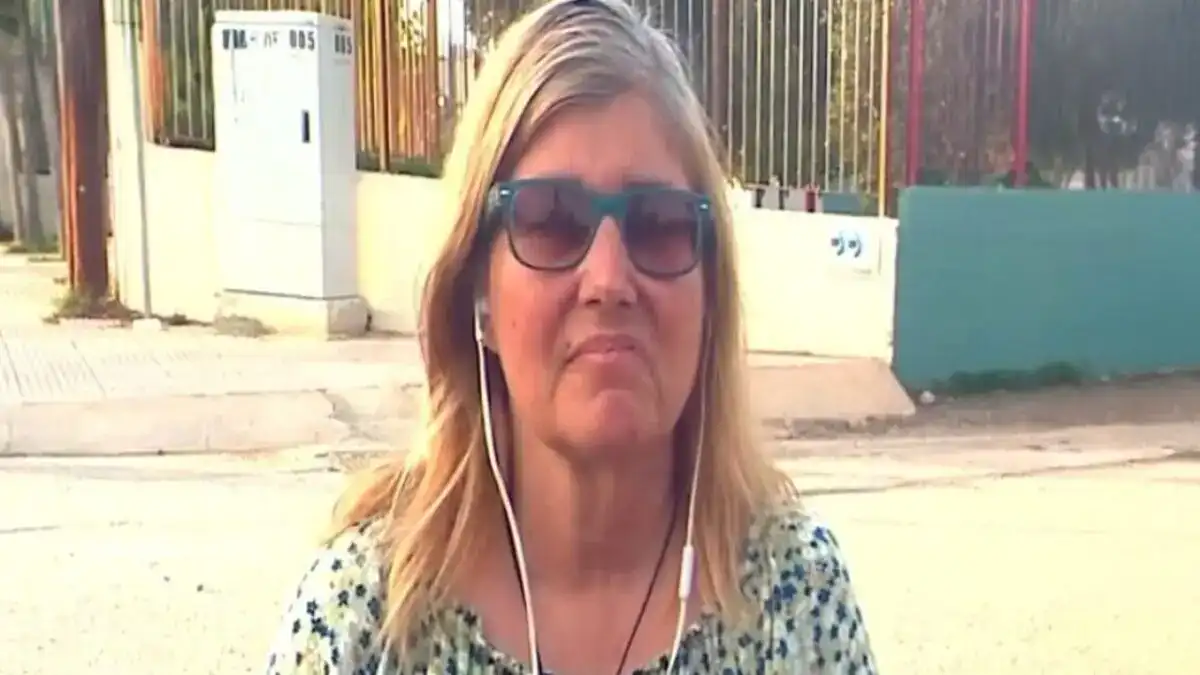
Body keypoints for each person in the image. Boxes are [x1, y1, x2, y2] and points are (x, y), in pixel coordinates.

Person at [265, 0, 877, 672]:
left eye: (658, 224)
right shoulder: (363, 617)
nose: (609, 280)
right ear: (476, 288)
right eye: (551, 220)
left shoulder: (797, 602)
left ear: (710, 294)